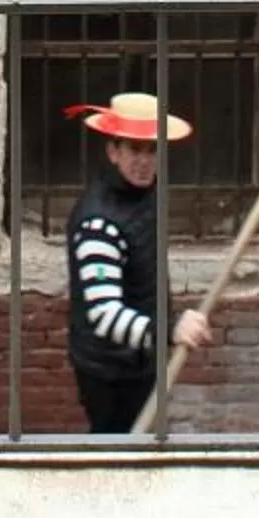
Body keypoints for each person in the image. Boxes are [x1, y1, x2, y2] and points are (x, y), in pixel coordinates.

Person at [63, 91, 214, 432]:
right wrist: (170, 330)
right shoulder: (98, 223)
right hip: (109, 372)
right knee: (119, 458)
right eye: (134, 149)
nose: (145, 161)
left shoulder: (146, 195)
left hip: (142, 359)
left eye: (152, 149)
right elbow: (103, 314)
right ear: (113, 151)